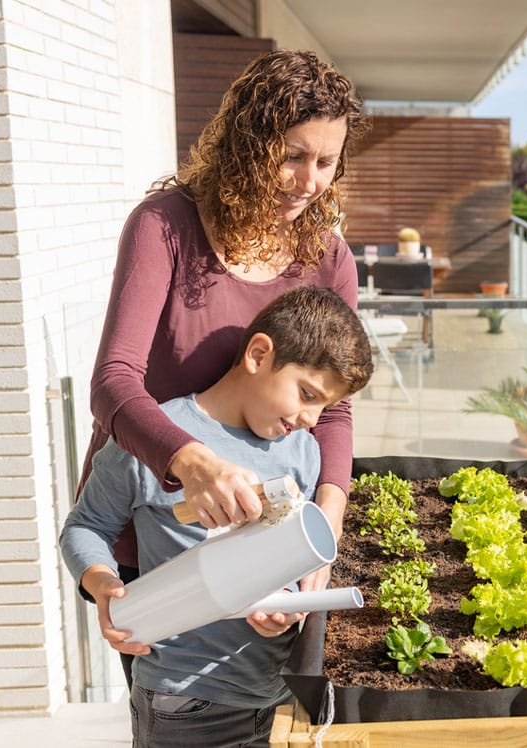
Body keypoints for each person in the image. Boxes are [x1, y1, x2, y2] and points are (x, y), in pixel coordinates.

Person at [80, 49, 370, 685]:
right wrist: (194, 463)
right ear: (249, 141)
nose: (310, 180)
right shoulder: (166, 226)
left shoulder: (328, 257)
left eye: (326, 162)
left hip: (269, 540)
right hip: (160, 526)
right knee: (176, 703)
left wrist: (322, 535)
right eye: (293, 155)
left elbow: (336, 411)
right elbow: (113, 383)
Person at [61, 286, 374, 748]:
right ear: (259, 354)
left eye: (324, 407)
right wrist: (103, 583)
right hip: (185, 702)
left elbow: (288, 554)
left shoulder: (304, 453)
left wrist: (285, 603)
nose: (312, 418)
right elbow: (85, 526)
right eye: (306, 394)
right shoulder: (157, 439)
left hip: (278, 699)